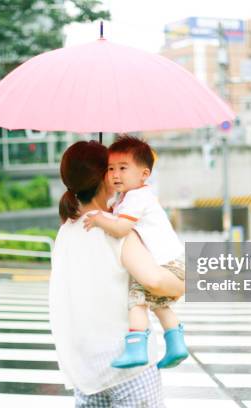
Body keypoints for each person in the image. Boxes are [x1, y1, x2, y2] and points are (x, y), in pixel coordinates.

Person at [49, 140, 185, 407]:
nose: (117, 175)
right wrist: (182, 282)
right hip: (129, 372)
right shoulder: (117, 231)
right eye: (111, 169)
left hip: (86, 373)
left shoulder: (64, 233)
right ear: (104, 178)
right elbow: (156, 281)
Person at [83, 135, 188, 370]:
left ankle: (136, 348)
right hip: (173, 262)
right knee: (159, 304)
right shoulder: (132, 198)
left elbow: (121, 229)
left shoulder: (136, 197)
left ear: (144, 174)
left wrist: (100, 219)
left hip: (165, 265)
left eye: (123, 168)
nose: (115, 175)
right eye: (110, 169)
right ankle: (177, 344)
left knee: (136, 301)